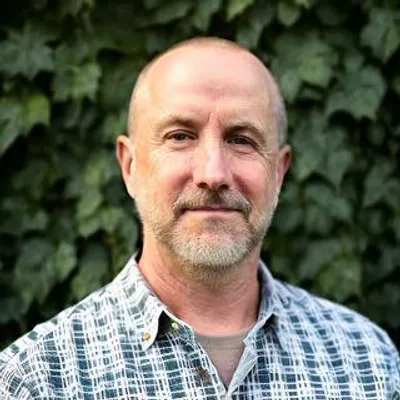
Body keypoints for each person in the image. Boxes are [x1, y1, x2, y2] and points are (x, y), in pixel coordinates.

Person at [1, 37, 399, 399]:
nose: (213, 173)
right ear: (130, 166)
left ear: (279, 173)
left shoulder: (369, 361)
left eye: (241, 139)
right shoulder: (37, 380)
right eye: (180, 136)